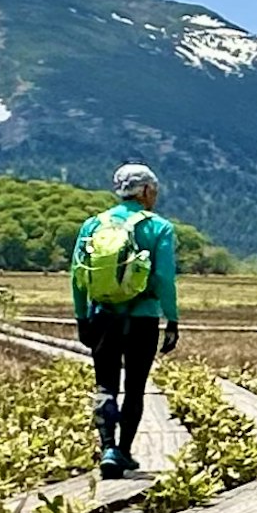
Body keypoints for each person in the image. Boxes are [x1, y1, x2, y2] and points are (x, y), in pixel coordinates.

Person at [69, 164, 180, 477]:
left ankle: (106, 447)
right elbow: (163, 279)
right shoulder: (160, 228)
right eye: (154, 190)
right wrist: (172, 320)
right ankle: (124, 451)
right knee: (135, 387)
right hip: (143, 319)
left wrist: (81, 317)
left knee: (105, 384)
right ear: (145, 191)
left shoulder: (93, 225)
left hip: (102, 316)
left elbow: (77, 277)